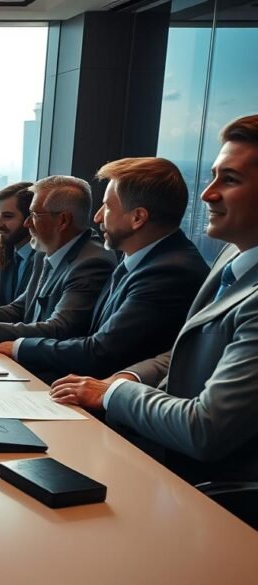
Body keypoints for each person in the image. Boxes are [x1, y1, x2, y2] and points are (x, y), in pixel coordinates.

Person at [50, 115, 258, 485]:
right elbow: (184, 352)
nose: (208, 194)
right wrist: (131, 376)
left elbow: (204, 429)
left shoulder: (185, 268)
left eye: (230, 179)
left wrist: (114, 391)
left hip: (212, 495)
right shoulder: (231, 256)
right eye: (212, 176)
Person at [0, 158, 208, 383]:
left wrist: (18, 347)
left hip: (114, 406)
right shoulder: (138, 259)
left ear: (137, 218)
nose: (97, 217)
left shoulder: (168, 273)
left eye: (107, 207)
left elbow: (100, 352)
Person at [0, 175, 115, 344]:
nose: (27, 223)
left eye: (35, 215)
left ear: (63, 220)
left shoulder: (92, 263)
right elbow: (21, 308)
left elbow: (60, 328)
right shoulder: (44, 253)